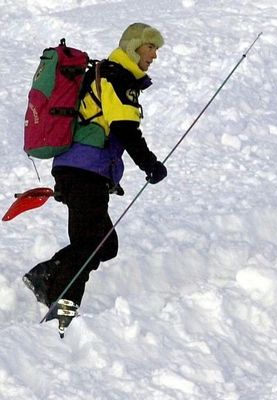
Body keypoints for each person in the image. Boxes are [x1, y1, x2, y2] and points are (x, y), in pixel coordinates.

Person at [23, 23, 168, 336]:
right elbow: (124, 128)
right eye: (150, 47)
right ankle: (60, 317)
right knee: (91, 243)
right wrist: (150, 164)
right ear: (133, 46)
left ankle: (49, 279)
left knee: (104, 244)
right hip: (84, 170)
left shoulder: (106, 72)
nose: (154, 55)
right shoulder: (117, 77)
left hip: (80, 169)